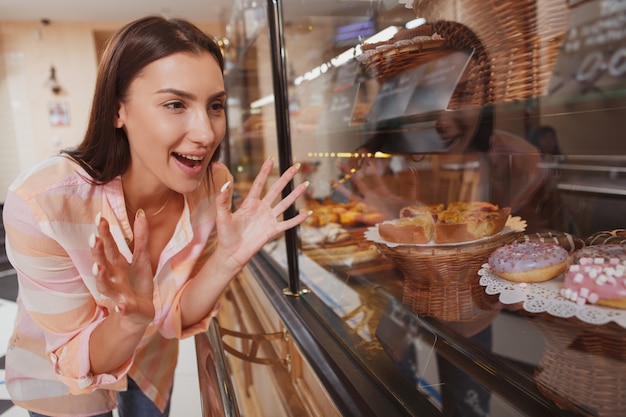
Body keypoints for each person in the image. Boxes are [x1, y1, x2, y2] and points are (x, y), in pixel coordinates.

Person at [2, 16, 309, 417]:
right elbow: (75, 351)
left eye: (215, 105)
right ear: (117, 111)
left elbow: (174, 316)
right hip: (62, 380)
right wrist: (131, 320)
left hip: (150, 364)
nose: (206, 132)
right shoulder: (42, 205)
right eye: (175, 104)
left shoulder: (213, 187)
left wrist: (227, 259)